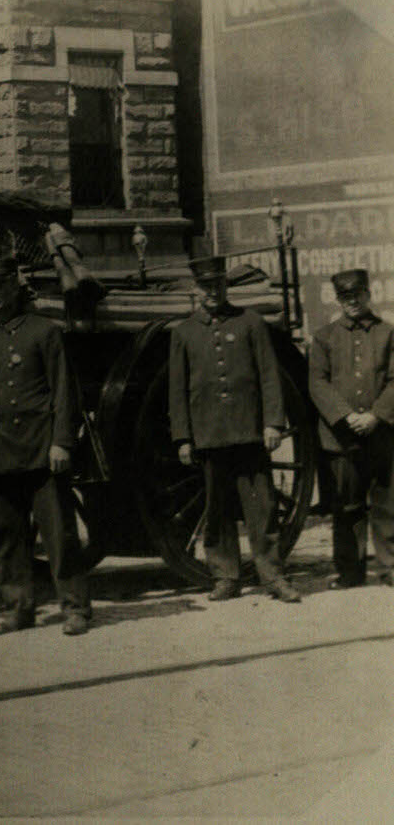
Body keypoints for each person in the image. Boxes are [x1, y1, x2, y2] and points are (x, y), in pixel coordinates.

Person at [0, 256, 92, 636]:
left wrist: (62, 442)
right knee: (6, 537)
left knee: (59, 535)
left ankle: (75, 608)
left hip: (40, 451)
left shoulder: (44, 333)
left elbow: (65, 393)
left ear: (15, 289)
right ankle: (18, 607)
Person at [168, 256, 301, 603]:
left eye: (217, 286)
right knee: (217, 509)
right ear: (196, 290)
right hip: (209, 434)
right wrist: (183, 437)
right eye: (205, 287)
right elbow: (177, 391)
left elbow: (270, 376)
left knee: (262, 507)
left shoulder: (251, 323)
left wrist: (273, 422)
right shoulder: (182, 333)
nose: (212, 292)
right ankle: (226, 576)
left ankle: (272, 575)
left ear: (226, 287)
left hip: (249, 431)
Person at [307, 269, 394, 588]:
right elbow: (317, 383)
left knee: (387, 503)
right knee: (347, 506)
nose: (352, 302)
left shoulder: (388, 333)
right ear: (338, 300)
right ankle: (349, 571)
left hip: (382, 433)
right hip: (341, 437)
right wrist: (345, 417)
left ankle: (390, 567)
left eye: (357, 295)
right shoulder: (324, 337)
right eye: (345, 297)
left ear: (369, 294)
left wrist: (376, 415)